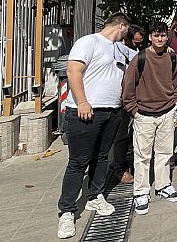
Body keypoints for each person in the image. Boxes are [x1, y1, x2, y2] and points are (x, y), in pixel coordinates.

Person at [57, 12, 131, 239]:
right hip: (86, 111)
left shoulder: (119, 48)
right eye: (127, 29)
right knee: (78, 162)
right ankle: (67, 211)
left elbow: (140, 57)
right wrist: (82, 102)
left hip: (112, 111)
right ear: (122, 26)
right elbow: (73, 71)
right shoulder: (89, 42)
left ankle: (95, 196)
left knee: (101, 156)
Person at [122, 21, 177, 215]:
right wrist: (134, 110)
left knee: (165, 153)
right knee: (142, 156)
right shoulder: (140, 58)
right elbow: (128, 87)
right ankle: (141, 191)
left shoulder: (172, 57)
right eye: (156, 35)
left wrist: (175, 102)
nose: (160, 38)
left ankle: (163, 185)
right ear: (150, 37)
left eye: (163, 35)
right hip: (144, 114)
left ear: (167, 37)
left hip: (167, 112)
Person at [111, 24, 144, 185]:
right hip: (121, 99)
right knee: (121, 136)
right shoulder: (118, 51)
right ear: (126, 39)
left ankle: (124, 163)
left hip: (133, 98)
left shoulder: (135, 51)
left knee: (130, 135)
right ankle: (119, 168)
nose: (139, 45)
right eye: (136, 42)